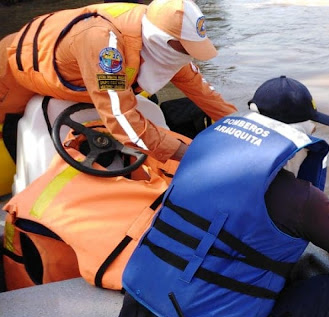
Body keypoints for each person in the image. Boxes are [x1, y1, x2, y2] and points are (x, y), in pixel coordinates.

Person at [118, 76, 329, 317]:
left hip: (139, 305)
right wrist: (325, 216)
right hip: (204, 312)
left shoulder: (200, 154)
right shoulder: (302, 197)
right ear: (302, 133)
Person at [0, 0, 237, 195]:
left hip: (75, 78)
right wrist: (188, 153)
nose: (188, 56)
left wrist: (242, 128)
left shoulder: (170, 45)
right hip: (13, 73)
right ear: (160, 40)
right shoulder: (105, 46)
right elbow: (122, 121)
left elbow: (205, 94)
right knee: (10, 135)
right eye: (184, 49)